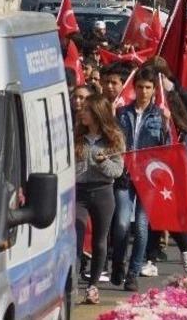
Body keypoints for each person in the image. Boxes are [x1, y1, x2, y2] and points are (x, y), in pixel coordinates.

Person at [111, 67, 172, 291]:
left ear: (154, 90)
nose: (143, 91)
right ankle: (118, 263)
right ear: (134, 88)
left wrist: (167, 125)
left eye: (148, 87)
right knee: (121, 224)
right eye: (140, 87)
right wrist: (111, 116)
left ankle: (133, 273)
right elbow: (113, 139)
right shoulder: (122, 112)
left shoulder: (160, 115)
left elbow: (167, 148)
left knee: (141, 226)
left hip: (148, 178)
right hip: (125, 175)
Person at [74, 96, 125, 304]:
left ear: (97, 113)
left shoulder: (114, 138)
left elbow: (117, 171)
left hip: (103, 192)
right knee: (76, 235)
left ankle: (93, 286)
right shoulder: (77, 136)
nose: (82, 113)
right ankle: (72, 282)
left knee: (100, 240)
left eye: (87, 110)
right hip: (79, 192)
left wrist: (102, 163)